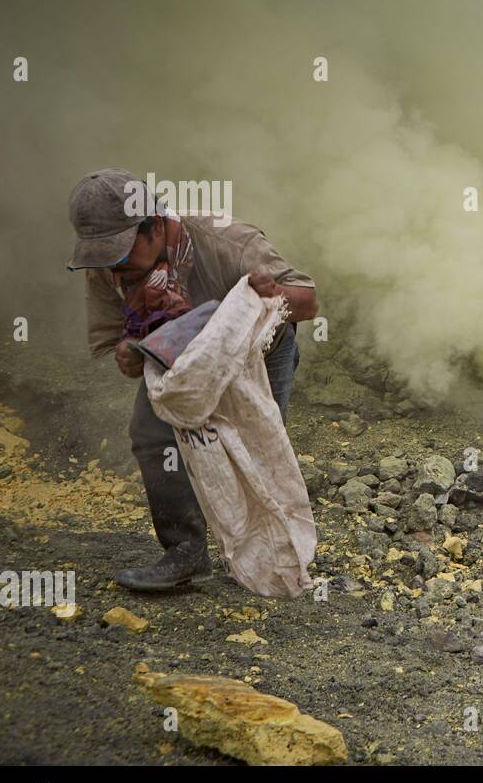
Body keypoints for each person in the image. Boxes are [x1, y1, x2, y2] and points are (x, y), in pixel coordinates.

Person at [67, 169, 319, 591]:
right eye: (106, 255)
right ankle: (184, 552)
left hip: (257, 355)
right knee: (150, 436)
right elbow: (122, 344)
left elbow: (307, 301)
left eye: (122, 251)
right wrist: (129, 353)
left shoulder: (225, 240)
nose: (116, 265)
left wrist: (268, 294)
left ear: (154, 226)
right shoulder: (107, 268)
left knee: (255, 449)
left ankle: (277, 556)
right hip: (179, 361)